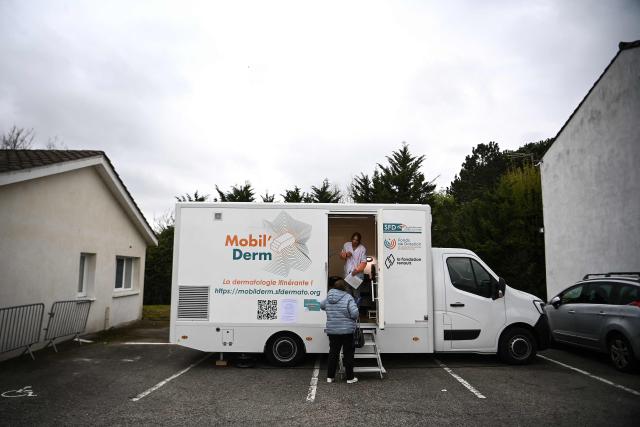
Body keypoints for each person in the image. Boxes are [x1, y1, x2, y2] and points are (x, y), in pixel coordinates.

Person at [320, 279, 359, 384]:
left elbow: (321, 306)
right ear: (344, 288)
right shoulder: (348, 297)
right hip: (347, 331)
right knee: (348, 354)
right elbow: (355, 313)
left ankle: (330, 377)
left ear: (334, 287)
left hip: (333, 331)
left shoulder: (329, 297)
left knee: (333, 353)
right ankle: (350, 378)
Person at [340, 232, 367, 300]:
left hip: (357, 275)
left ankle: (355, 310)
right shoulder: (346, 245)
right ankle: (349, 310)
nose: (355, 241)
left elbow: (364, 262)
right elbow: (341, 256)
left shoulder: (362, 248)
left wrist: (357, 270)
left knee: (356, 295)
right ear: (351, 239)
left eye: (357, 240)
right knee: (347, 294)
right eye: (354, 239)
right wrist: (346, 255)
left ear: (359, 241)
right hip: (347, 273)